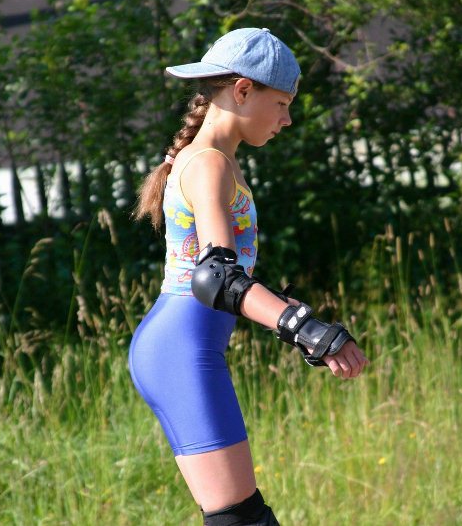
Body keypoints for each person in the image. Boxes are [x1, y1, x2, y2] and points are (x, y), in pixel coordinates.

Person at [130, 27, 369, 526]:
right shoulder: (209, 164)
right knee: (242, 520)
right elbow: (215, 278)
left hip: (178, 347)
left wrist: (289, 316)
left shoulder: (216, 160)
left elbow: (223, 275)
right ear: (242, 90)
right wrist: (305, 328)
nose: (287, 119)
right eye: (281, 104)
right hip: (179, 351)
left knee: (237, 518)